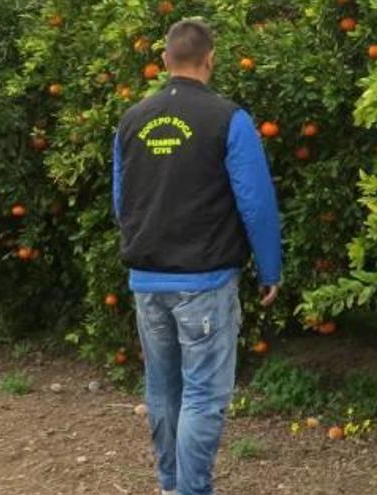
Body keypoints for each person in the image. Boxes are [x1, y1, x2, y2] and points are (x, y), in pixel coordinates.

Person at [112, 18, 282, 495]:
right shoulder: (229, 119)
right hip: (204, 282)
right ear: (210, 59)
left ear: (165, 60)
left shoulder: (131, 120)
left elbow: (122, 201)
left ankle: (170, 486)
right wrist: (270, 268)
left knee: (163, 390)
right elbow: (256, 202)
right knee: (203, 395)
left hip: (147, 279)